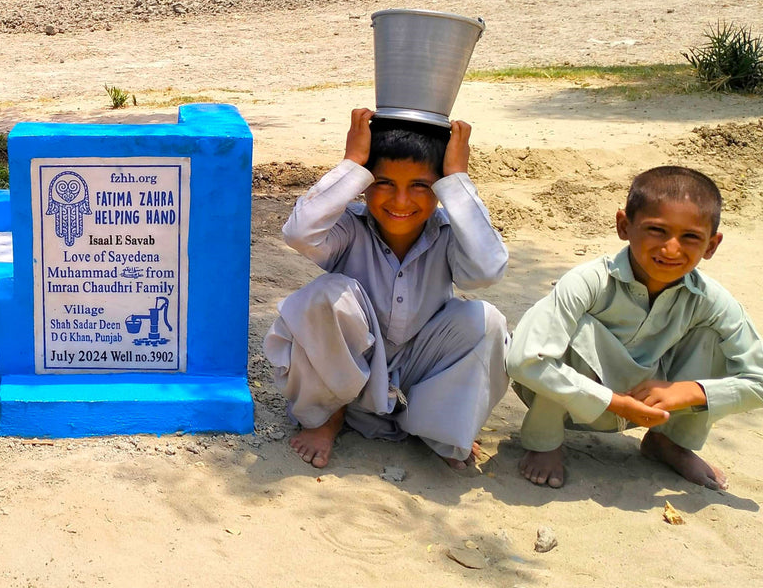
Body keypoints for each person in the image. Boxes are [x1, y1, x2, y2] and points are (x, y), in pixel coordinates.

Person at [264, 108, 509, 469]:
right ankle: (328, 417)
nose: (401, 201)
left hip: (415, 371)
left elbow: (488, 269)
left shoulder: (447, 235)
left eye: (420, 186)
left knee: (486, 321)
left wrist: (457, 178)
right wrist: (351, 162)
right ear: (364, 185)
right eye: (384, 183)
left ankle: (438, 428)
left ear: (440, 190)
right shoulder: (349, 228)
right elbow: (299, 233)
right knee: (327, 296)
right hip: (349, 371)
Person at [507, 165, 763, 491]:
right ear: (624, 226)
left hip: (655, 408)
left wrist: (687, 393)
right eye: (657, 230)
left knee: (712, 336)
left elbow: (760, 378)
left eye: (690, 237)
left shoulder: (710, 300)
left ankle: (668, 443)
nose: (672, 249)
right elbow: (523, 360)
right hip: (570, 400)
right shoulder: (590, 282)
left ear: (711, 246)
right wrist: (612, 401)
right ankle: (544, 441)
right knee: (574, 328)